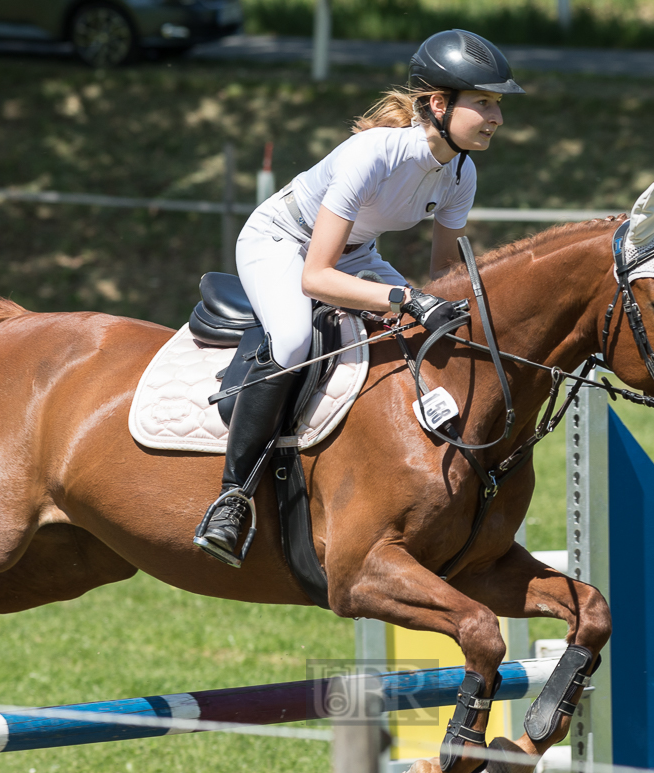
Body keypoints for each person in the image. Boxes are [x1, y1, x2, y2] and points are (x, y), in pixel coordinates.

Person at [195, 29, 525, 566]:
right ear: (439, 105)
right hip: (284, 241)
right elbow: (316, 278)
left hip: (355, 252)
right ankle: (231, 500)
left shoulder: (461, 171)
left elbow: (444, 275)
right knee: (297, 337)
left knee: (440, 321)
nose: (496, 117)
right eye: (484, 102)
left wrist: (435, 307)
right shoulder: (371, 154)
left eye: (497, 104)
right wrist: (403, 297)